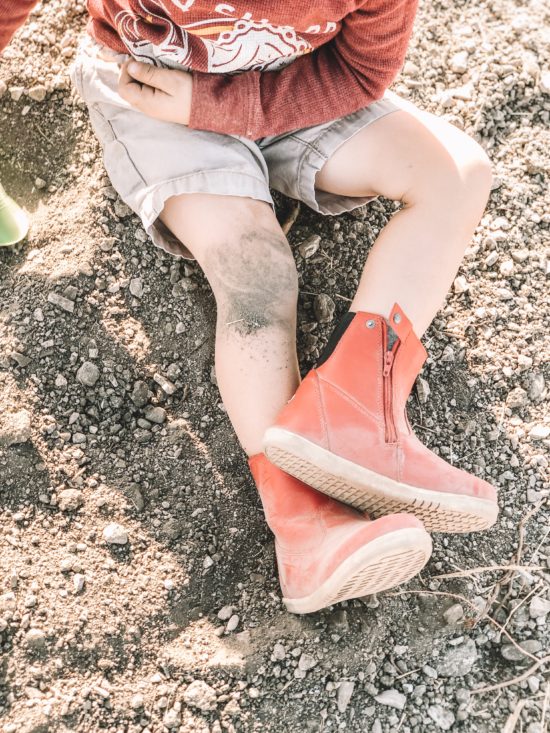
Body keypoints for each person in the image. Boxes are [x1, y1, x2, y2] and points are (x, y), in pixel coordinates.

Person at [0, 1, 498, 615]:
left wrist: (228, 106)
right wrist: (196, 109)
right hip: (152, 91)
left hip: (295, 85)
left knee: (458, 173)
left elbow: (362, 72)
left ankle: (357, 415)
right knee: (257, 271)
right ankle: (307, 526)